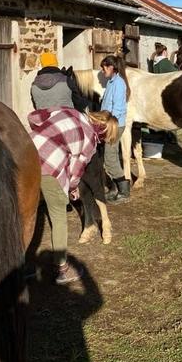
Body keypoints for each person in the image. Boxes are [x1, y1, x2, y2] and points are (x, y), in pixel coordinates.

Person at [27, 108, 118, 284]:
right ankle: (62, 268)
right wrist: (72, 188)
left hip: (25, 155)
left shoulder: (70, 111)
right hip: (49, 166)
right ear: (104, 131)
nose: (104, 141)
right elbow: (76, 171)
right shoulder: (90, 139)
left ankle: (24, 266)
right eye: (107, 138)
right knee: (58, 216)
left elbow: (34, 116)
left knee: (27, 213)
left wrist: (45, 136)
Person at [99, 54, 130, 203]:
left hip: (114, 125)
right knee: (110, 157)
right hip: (111, 124)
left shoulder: (118, 83)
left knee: (110, 158)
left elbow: (117, 108)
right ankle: (115, 189)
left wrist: (109, 124)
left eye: (104, 67)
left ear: (112, 67)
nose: (103, 70)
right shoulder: (112, 82)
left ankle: (124, 191)